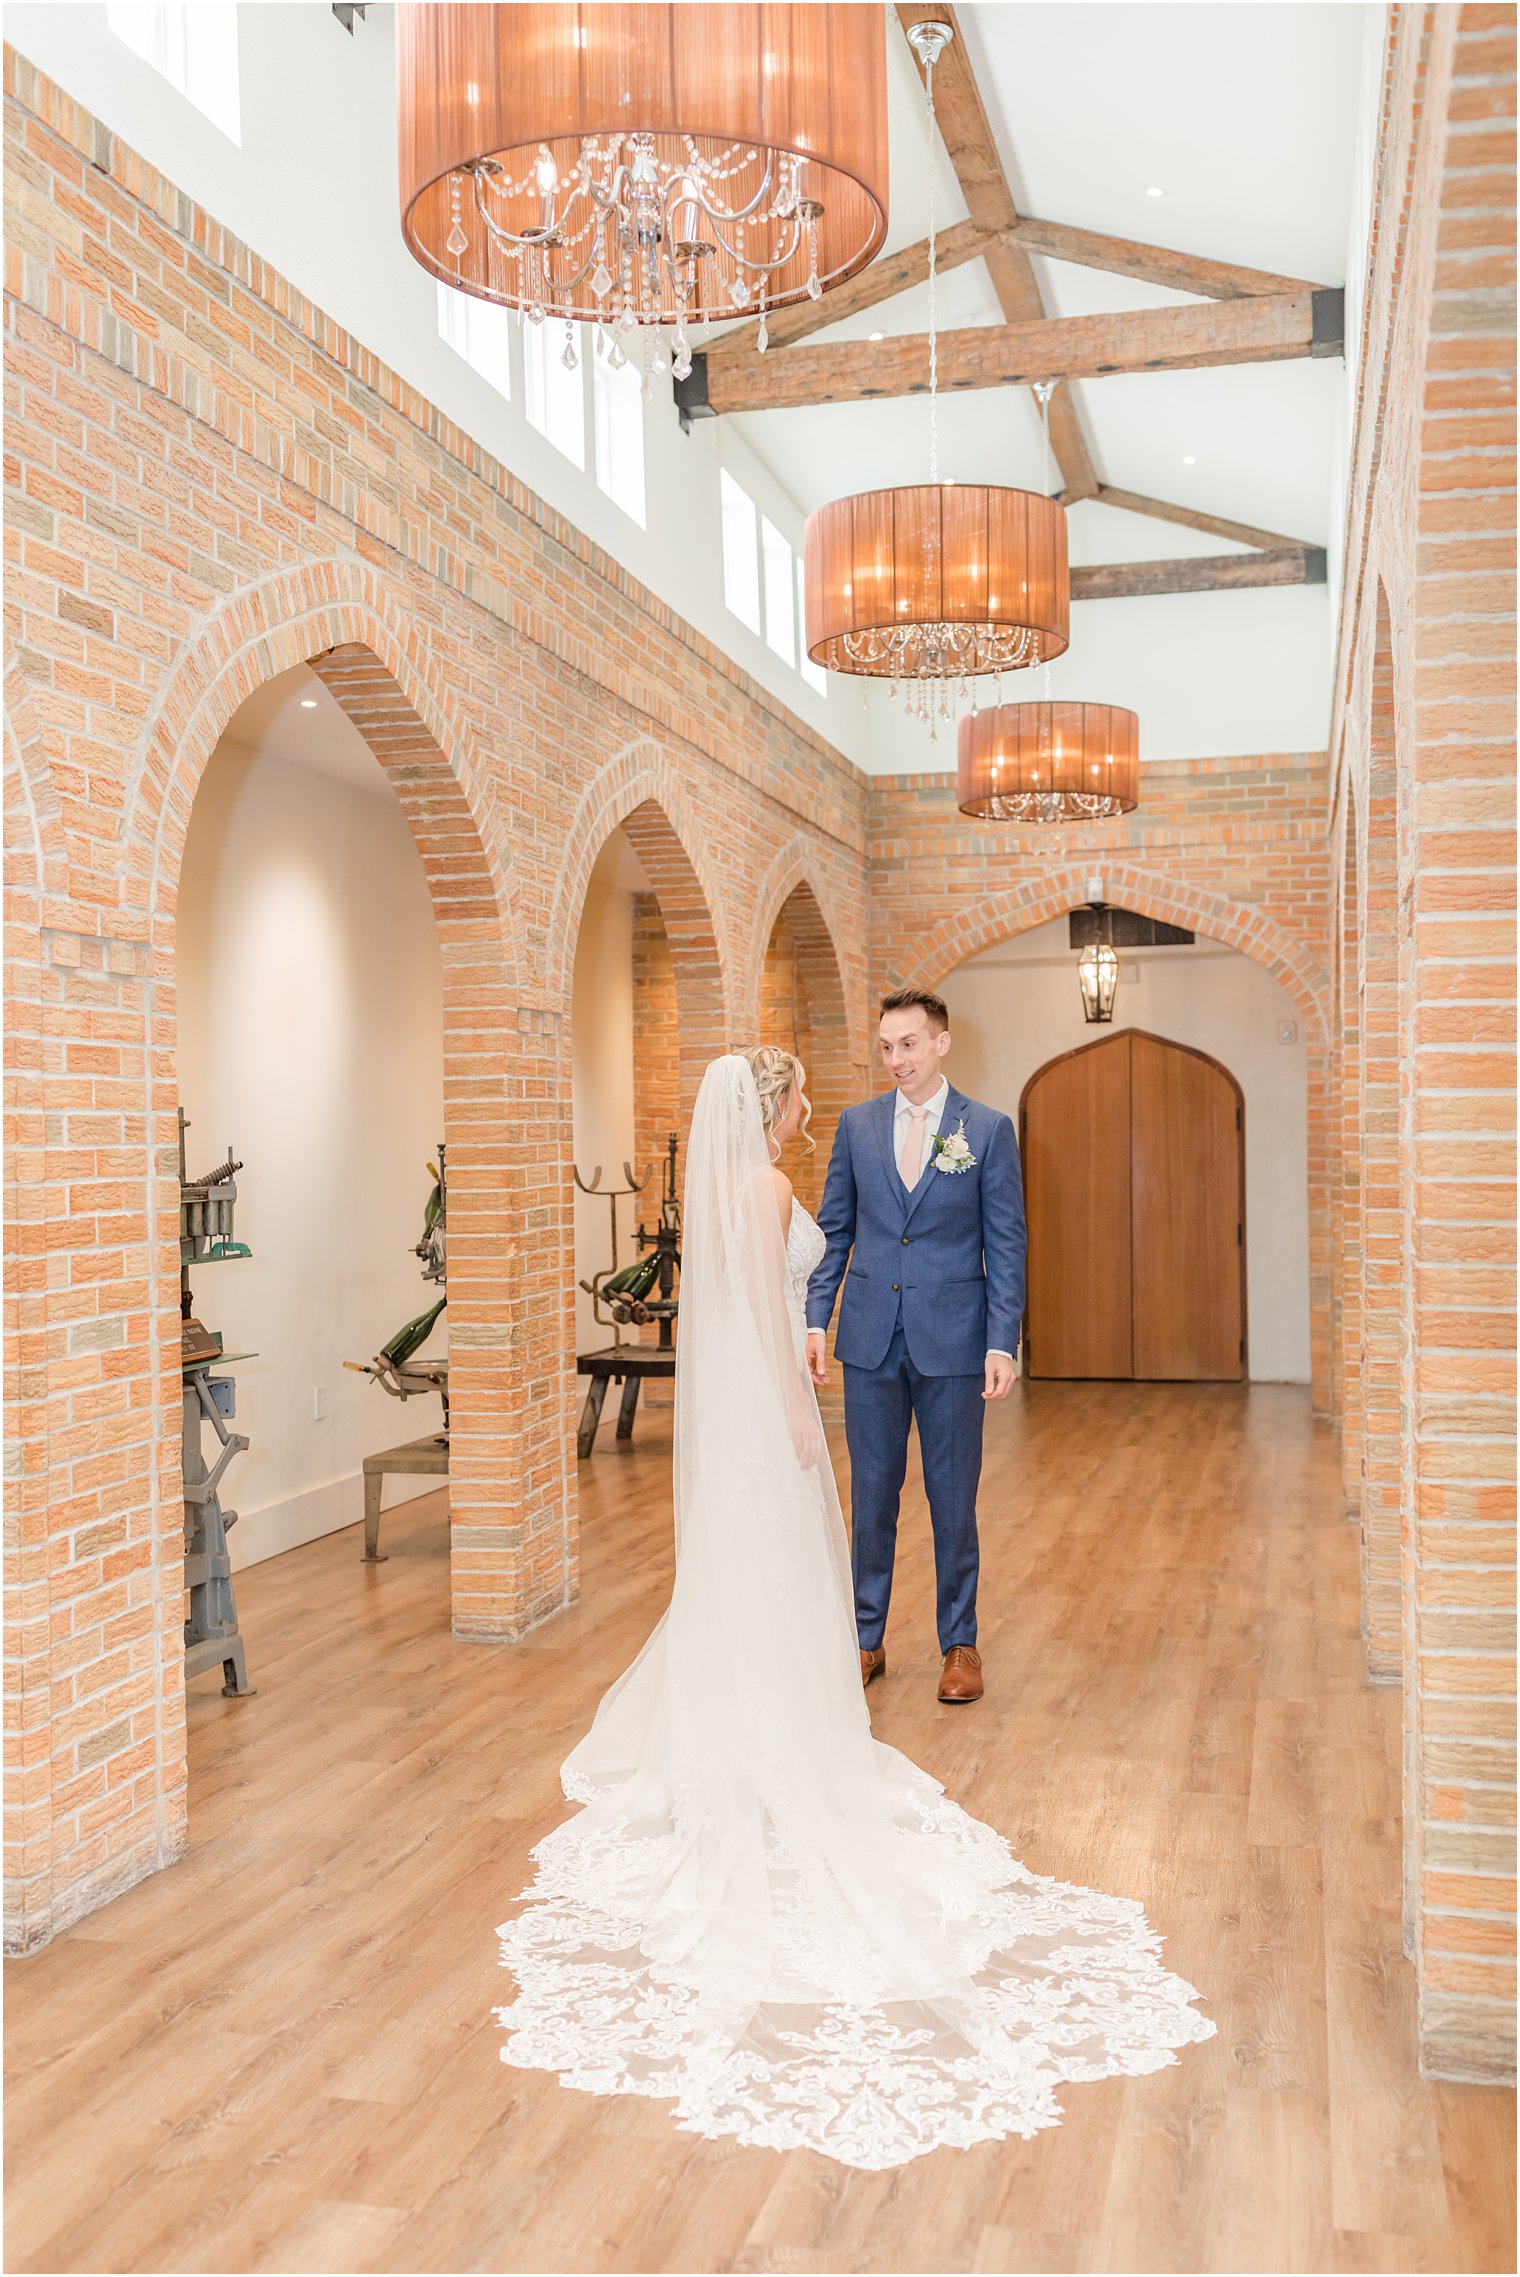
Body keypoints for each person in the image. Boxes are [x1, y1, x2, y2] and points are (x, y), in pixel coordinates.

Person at [495, 1049, 1214, 2170]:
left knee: (758, 1571)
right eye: (795, 1102)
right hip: (782, 1395)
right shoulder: (774, 1186)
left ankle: (766, 1699)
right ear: (771, 1108)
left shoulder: (788, 1173)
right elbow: (766, 1305)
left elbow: (748, 1301)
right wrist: (793, 1402)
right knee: (794, 1558)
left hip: (802, 1382)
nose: (806, 1115)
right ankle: (787, 1711)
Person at [806, 988, 1024, 1702]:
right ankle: (865, 1639)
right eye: (887, 1046)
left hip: (955, 1343)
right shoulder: (857, 1126)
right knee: (871, 1496)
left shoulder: (985, 1131)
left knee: (951, 1498)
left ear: (940, 1043)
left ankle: (959, 1644)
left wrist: (1002, 1341)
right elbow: (835, 1230)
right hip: (869, 1339)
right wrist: (816, 1320)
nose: (896, 1059)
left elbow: (1006, 1245)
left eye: (908, 1043)